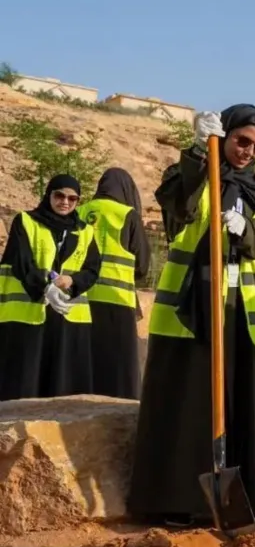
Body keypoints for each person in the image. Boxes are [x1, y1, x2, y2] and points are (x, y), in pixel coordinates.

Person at [127, 105, 255, 527]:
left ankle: (245, 497)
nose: (248, 151)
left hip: (245, 315)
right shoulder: (196, 176)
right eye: (241, 141)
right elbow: (178, 208)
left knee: (244, 407)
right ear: (224, 136)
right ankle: (181, 501)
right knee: (190, 404)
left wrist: (247, 230)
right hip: (194, 310)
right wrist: (199, 154)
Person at [0, 175, 102, 401]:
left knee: (61, 385)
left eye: (72, 199)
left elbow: (93, 269)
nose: (65, 202)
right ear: (49, 195)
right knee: (24, 383)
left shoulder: (85, 231)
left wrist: (72, 281)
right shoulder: (26, 221)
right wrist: (45, 285)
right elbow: (20, 260)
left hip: (67, 317)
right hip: (29, 314)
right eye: (59, 195)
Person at [78, 167, 152, 398]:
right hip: (116, 301)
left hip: (78, 301)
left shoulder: (79, 211)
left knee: (83, 362)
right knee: (118, 368)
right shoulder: (127, 215)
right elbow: (142, 264)